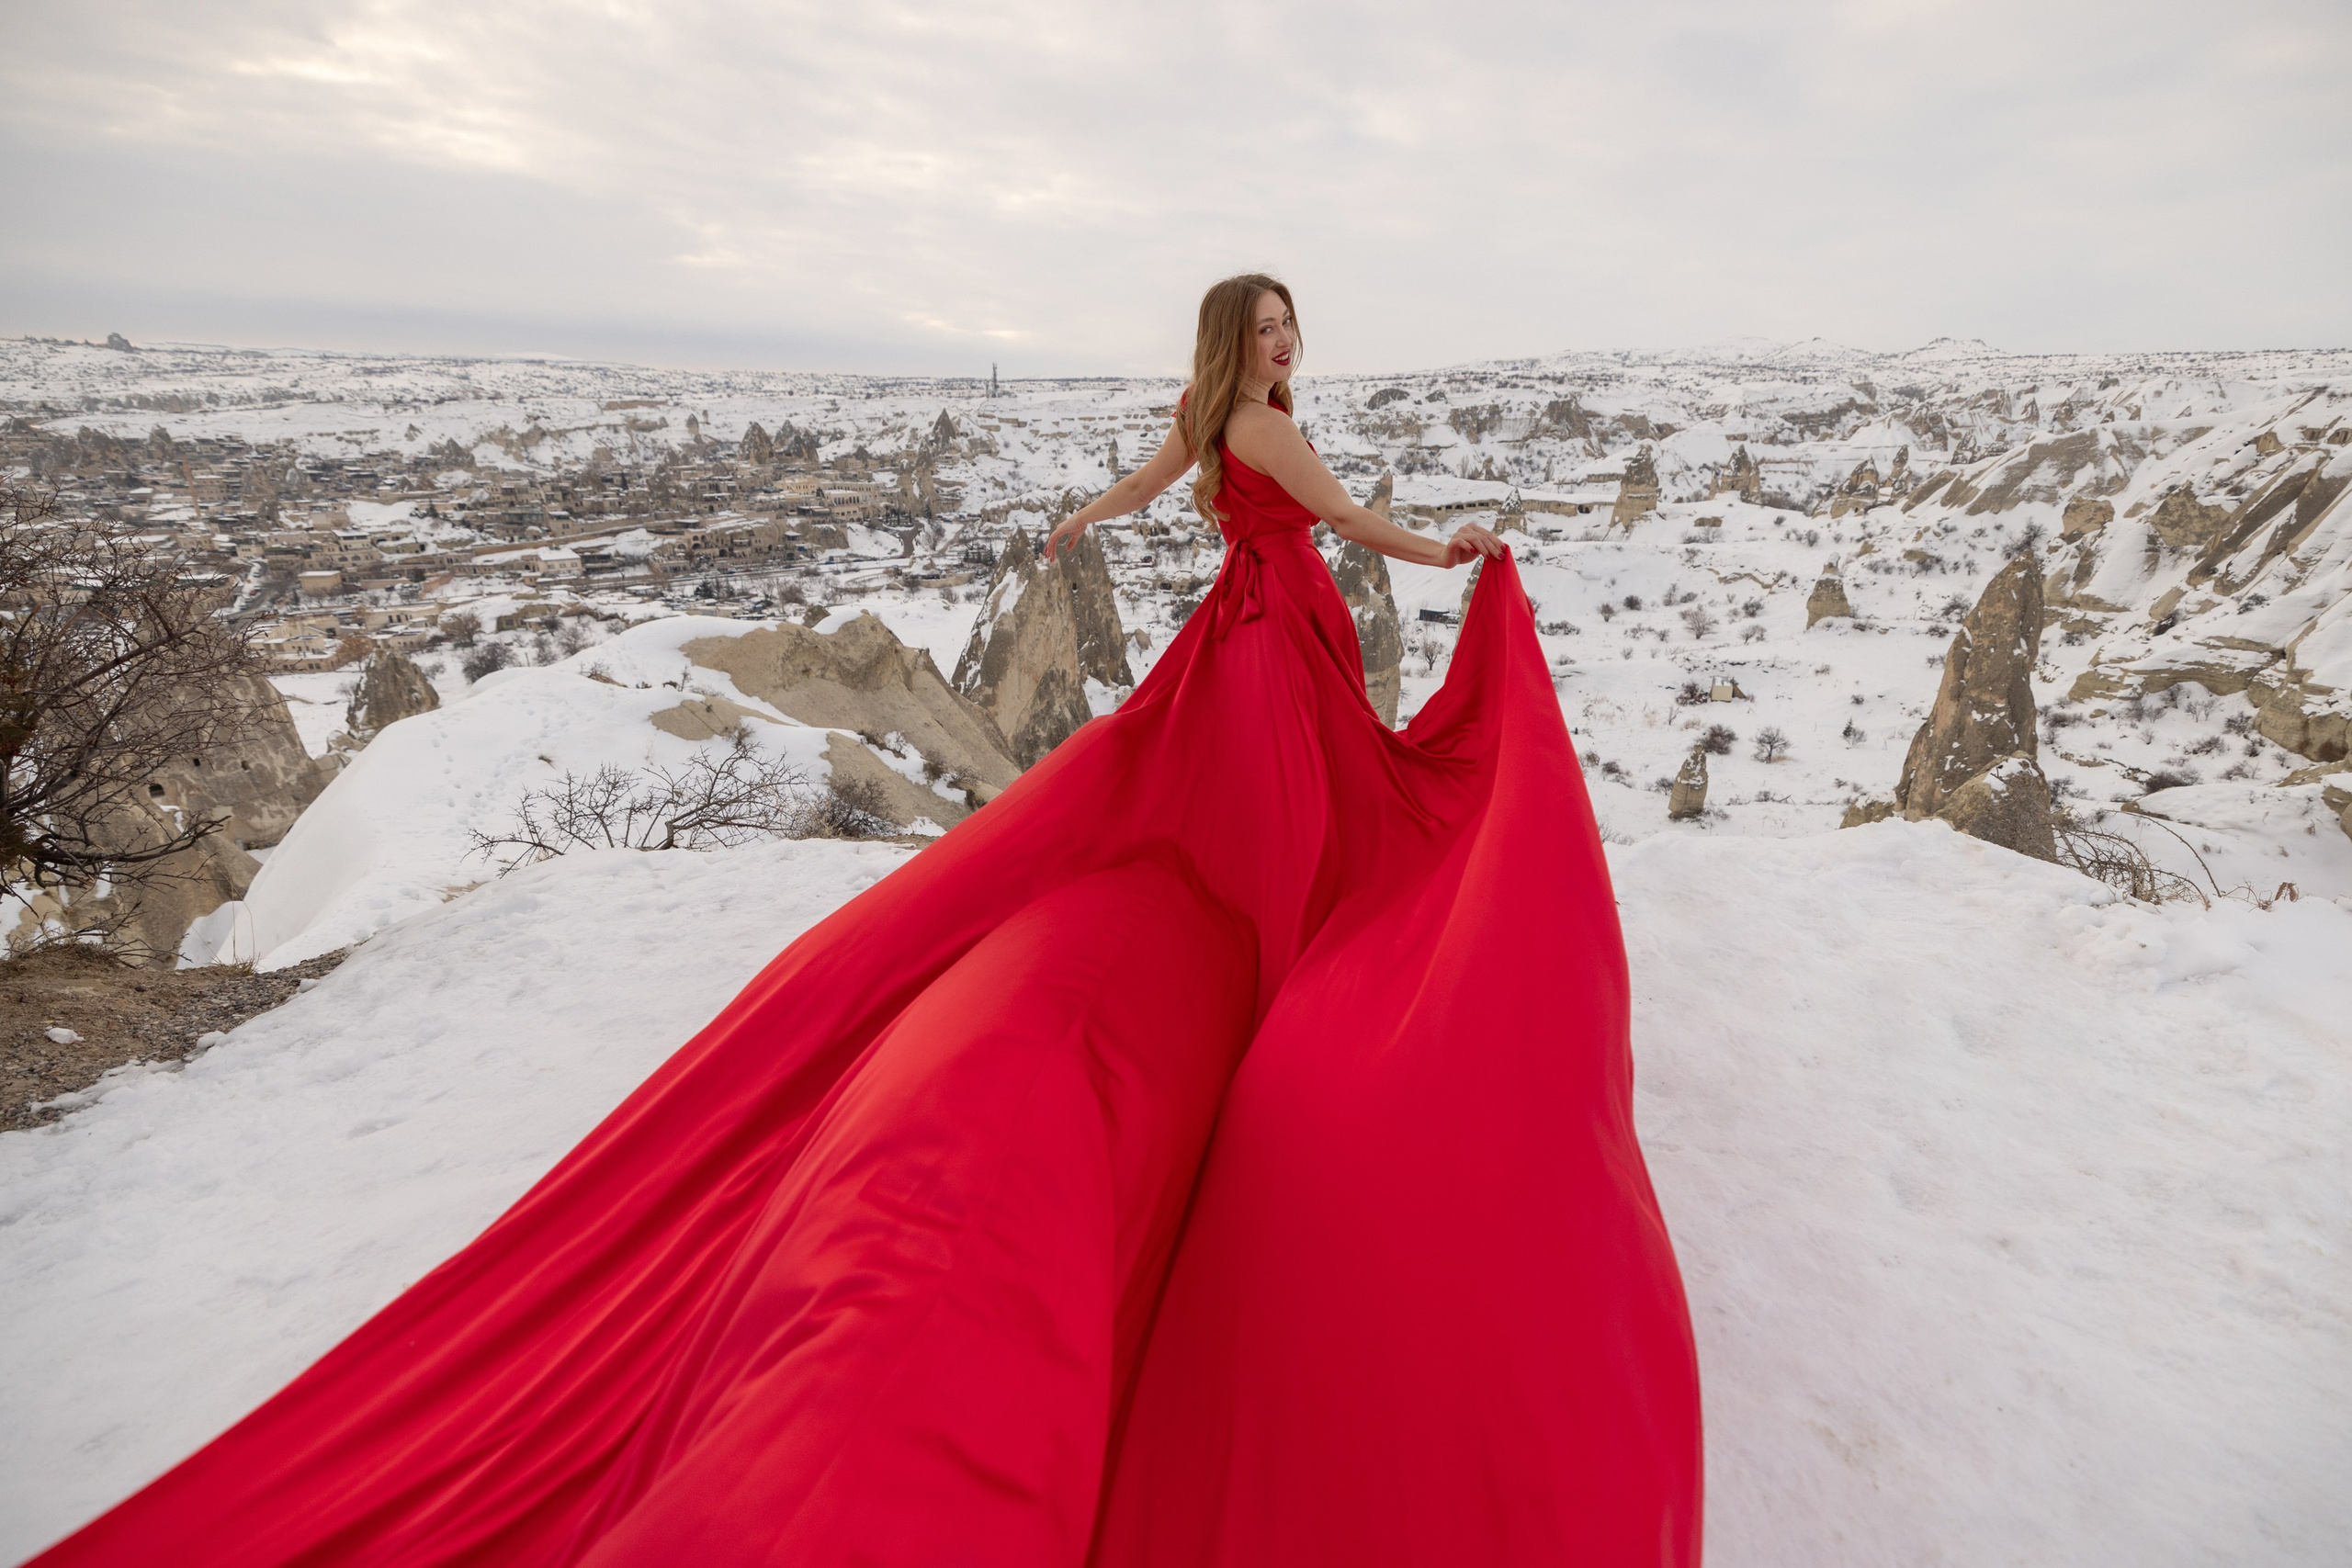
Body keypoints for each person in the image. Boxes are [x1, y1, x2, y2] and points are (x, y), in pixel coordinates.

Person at [25, 276, 1701, 1567]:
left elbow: (1149, 480)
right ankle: (1284, 979)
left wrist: (1088, 522)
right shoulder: (1258, 431)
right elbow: (1342, 526)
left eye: (1289, 329)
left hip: (1250, 645)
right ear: (1232, 343)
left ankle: (1269, 960)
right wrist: (1448, 538)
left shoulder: (1214, 420)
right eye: (1263, 330)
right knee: (1292, 819)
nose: (1283, 348)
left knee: (1243, 817)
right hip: (1275, 647)